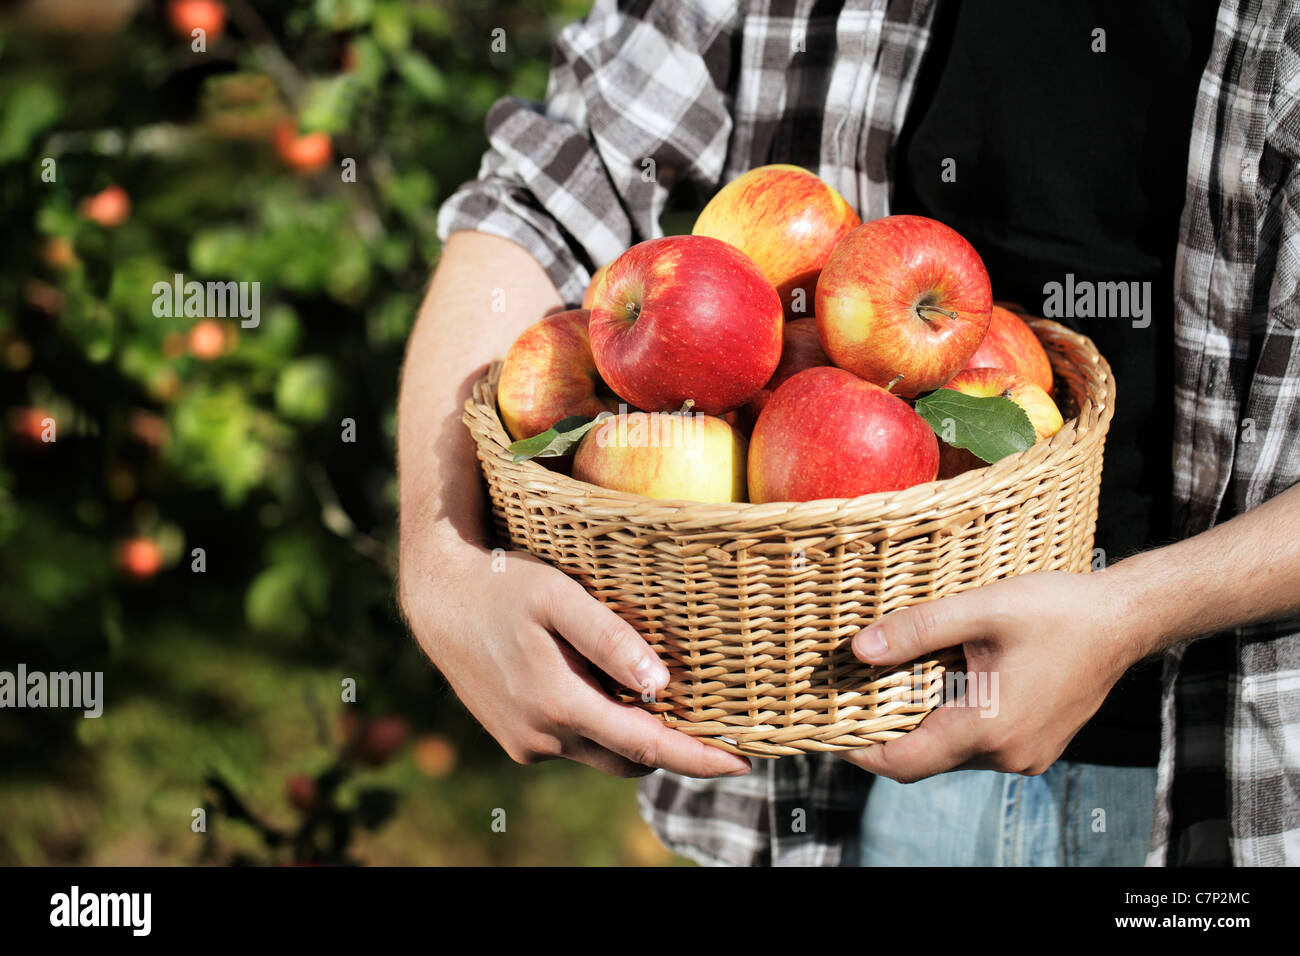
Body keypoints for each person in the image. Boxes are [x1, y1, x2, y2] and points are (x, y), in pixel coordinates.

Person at [397, 0, 1300, 867]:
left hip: (1224, 773)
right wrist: (442, 568)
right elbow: (544, 190)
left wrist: (1132, 612)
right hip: (813, 755)